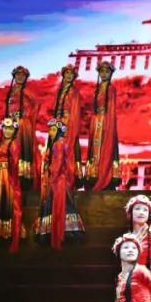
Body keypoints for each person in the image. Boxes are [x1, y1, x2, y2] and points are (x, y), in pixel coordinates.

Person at [35, 119, 85, 249]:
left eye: (53, 130)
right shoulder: (62, 143)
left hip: (58, 181)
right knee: (65, 205)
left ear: (58, 131)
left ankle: (59, 233)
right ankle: (71, 232)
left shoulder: (58, 144)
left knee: (58, 206)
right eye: (50, 130)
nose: (50, 133)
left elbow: (57, 165)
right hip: (62, 180)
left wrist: (51, 175)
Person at [0, 117, 25, 252]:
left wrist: (13, 180)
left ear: (14, 131)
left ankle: (7, 231)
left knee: (6, 201)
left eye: (10, 129)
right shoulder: (0, 143)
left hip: (8, 177)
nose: (7, 131)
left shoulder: (13, 144)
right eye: (5, 128)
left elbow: (15, 163)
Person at [85, 60, 120, 191]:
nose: (104, 74)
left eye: (107, 71)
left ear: (111, 74)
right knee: (94, 150)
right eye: (102, 71)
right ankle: (94, 176)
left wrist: (108, 124)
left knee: (105, 149)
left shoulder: (111, 88)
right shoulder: (98, 88)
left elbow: (111, 108)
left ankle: (105, 177)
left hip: (105, 122)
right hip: (97, 121)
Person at [5, 65, 41, 192]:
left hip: (22, 125)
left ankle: (23, 177)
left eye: (23, 75)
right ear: (14, 76)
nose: (20, 77)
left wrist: (28, 117)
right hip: (11, 124)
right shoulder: (11, 91)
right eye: (18, 75)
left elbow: (36, 104)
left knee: (21, 150)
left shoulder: (26, 91)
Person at [51, 63, 84, 186]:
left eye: (71, 74)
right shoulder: (60, 91)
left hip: (69, 123)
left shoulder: (74, 92)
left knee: (68, 149)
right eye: (67, 73)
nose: (69, 75)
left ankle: (68, 177)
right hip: (59, 123)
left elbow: (75, 112)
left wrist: (70, 127)